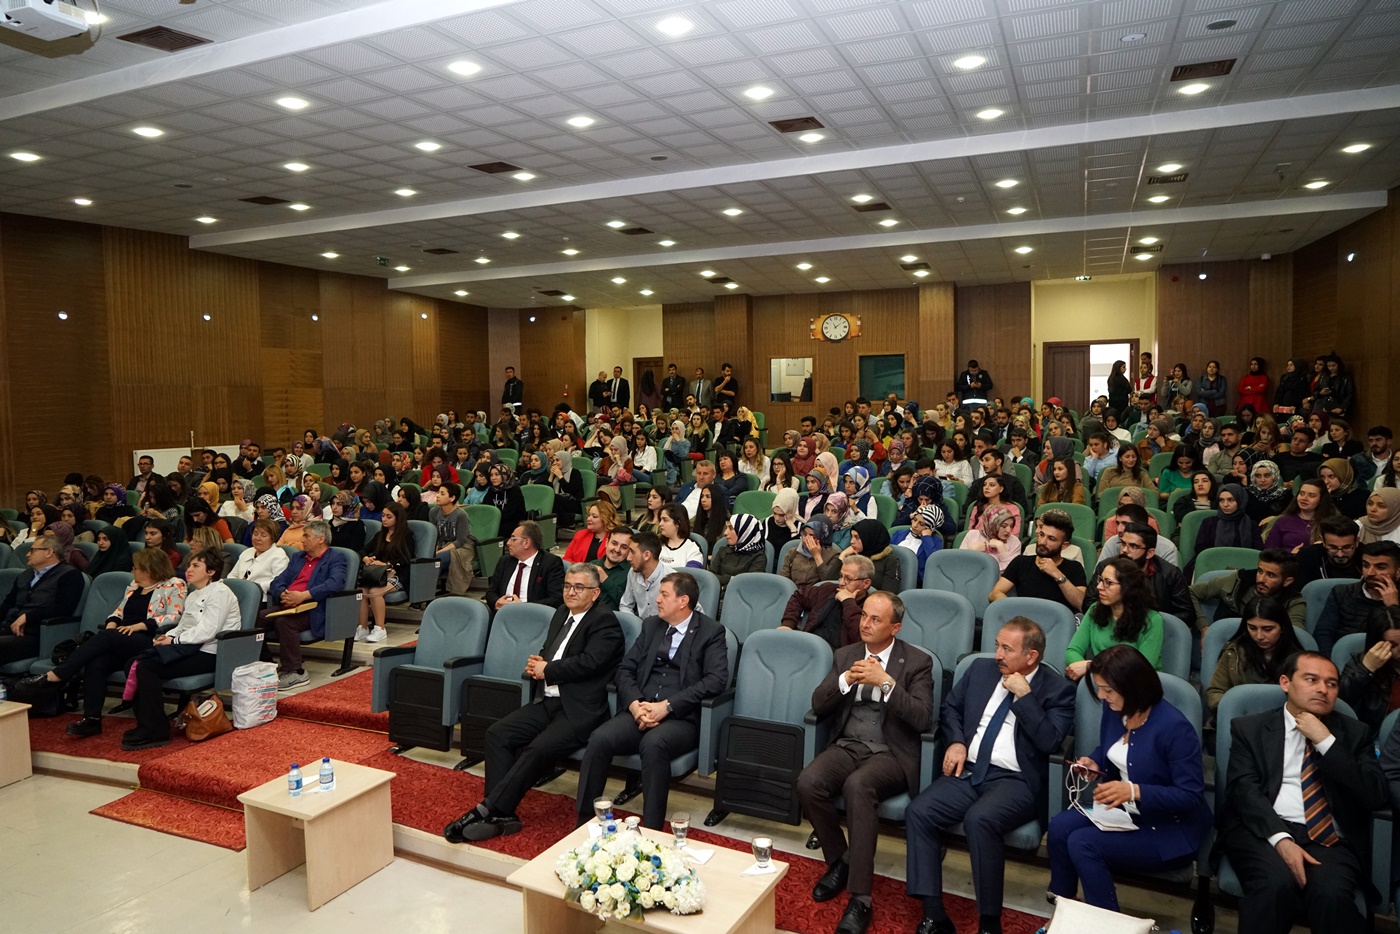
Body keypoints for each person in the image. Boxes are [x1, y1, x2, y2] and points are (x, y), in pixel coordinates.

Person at [905, 617, 1075, 934]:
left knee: (979, 819)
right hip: (970, 771)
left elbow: (1050, 741)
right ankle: (934, 914)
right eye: (997, 645)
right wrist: (956, 742)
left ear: (1031, 656)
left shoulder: (1058, 690)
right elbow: (950, 709)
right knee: (919, 811)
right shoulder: (980, 670)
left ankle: (988, 922)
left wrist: (1026, 698)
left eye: (1007, 649)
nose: (997, 654)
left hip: (1016, 781)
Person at [444, 563, 624, 843]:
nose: (571, 592)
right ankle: (501, 813)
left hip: (579, 710)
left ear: (595, 592)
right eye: (567, 586)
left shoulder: (604, 621)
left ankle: (489, 809)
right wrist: (539, 661)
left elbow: (590, 663)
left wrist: (548, 669)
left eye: (579, 587)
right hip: (547, 700)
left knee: (537, 749)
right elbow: (551, 649)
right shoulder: (562, 613)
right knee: (498, 734)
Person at [1218, 651, 1386, 934]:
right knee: (1274, 886)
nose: (1323, 689)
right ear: (1286, 683)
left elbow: (1375, 795)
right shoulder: (1251, 728)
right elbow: (1243, 791)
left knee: (1332, 897)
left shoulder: (1355, 734)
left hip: (1329, 838)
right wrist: (1281, 840)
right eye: (1311, 680)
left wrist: (1326, 742)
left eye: (1332, 684)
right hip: (1265, 829)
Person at [798, 591, 935, 934]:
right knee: (808, 782)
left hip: (891, 752)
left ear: (895, 627)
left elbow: (922, 718)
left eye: (876, 619)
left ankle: (861, 898)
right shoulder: (846, 655)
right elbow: (818, 703)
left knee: (858, 786)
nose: (866, 624)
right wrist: (845, 680)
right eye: (863, 616)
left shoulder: (917, 662)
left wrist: (886, 683)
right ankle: (841, 860)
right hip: (848, 744)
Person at [1049, 644, 1211, 911]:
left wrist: (1134, 791)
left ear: (1133, 687)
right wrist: (1095, 762)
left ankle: (1106, 923)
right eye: (1099, 688)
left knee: (1082, 843)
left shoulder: (1175, 728)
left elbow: (1190, 797)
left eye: (1108, 690)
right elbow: (1112, 749)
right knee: (1059, 827)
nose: (1101, 696)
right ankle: (1062, 905)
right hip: (1124, 812)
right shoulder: (1115, 709)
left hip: (1166, 829)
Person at [574, 572, 728, 830]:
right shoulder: (651, 626)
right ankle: (585, 821)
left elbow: (716, 680)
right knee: (600, 738)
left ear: (683, 601)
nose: (657, 600)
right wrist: (635, 704)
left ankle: (652, 830)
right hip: (640, 708)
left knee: (654, 744)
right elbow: (625, 669)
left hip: (681, 717)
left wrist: (667, 706)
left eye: (664, 595)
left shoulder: (711, 632)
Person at [15, 548, 186, 737]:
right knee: (97, 662)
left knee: (106, 637)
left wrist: (140, 626)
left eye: (136, 567)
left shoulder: (174, 584)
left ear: (149, 568)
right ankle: (92, 719)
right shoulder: (133, 585)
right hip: (122, 638)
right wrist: (112, 623)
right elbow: (118, 611)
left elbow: (174, 616)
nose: (132, 571)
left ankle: (58, 675)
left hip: (150, 638)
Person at [117, 549, 245, 751]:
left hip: (210, 652)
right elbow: (183, 625)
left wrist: (174, 640)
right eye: (189, 565)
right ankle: (146, 724)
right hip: (188, 647)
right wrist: (167, 636)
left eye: (196, 565)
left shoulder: (220, 593)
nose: (188, 569)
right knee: (132, 663)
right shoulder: (194, 595)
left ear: (211, 572)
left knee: (145, 667)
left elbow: (208, 631)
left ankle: (156, 730)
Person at [1065, 558, 1164, 679]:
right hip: (1098, 681)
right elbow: (1072, 651)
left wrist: (1092, 666)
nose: (1099, 586)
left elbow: (1142, 669)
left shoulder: (1152, 620)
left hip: (1135, 686)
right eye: (1101, 580)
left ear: (1128, 587)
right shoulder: (1095, 609)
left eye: (1108, 582)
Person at [1206, 598, 1308, 711]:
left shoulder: (1298, 659)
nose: (1259, 636)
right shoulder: (1234, 652)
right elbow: (1215, 693)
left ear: (1283, 628)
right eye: (1252, 628)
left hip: (1284, 718)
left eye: (1267, 629)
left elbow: (1307, 697)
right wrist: (1238, 706)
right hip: (1240, 716)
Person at [0, 533, 85, 666]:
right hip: (7, 629)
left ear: (49, 552)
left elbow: (64, 608)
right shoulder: (24, 575)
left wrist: (28, 617)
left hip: (37, 635)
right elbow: (8, 603)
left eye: (32, 550)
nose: (27, 554)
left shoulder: (70, 575)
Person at [1312, 541, 1400, 655]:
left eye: (1380, 567)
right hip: (1344, 659)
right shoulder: (1341, 593)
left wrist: (1393, 607)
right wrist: (1331, 663)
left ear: (1398, 572)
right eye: (1366, 565)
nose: (1370, 573)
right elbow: (1323, 634)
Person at [1190, 548, 1305, 634]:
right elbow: (1190, 592)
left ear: (1287, 581)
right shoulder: (1237, 581)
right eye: (1260, 571)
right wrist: (1203, 626)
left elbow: (1296, 636)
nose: (1261, 579)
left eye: (1270, 575)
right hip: (1224, 643)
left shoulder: (1293, 602)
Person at [989, 511, 1086, 610]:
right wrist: (1014, 609)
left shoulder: (1075, 568)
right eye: (1041, 535)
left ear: (1064, 545)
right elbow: (995, 593)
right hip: (1023, 617)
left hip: (1056, 619)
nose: (1043, 542)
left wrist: (1057, 574)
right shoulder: (1021, 562)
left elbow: (1081, 604)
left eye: (1051, 539)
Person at [779, 555, 875, 649]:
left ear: (866, 583)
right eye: (841, 576)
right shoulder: (828, 589)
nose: (841, 582)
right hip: (807, 646)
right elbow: (799, 596)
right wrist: (788, 624)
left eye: (848, 579)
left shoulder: (871, 608)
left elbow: (861, 638)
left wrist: (848, 602)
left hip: (838, 656)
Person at [484, 520, 566, 620]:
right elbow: (491, 592)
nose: (508, 543)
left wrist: (524, 606)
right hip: (503, 617)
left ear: (526, 543)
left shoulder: (550, 563)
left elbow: (557, 599)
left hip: (533, 618)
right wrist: (496, 602)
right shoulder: (505, 561)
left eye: (513, 539)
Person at [1191, 483, 1263, 561]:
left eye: (1231, 500)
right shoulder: (1209, 523)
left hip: (1243, 564)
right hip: (1212, 563)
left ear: (1240, 500)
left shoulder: (1251, 525)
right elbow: (1200, 549)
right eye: (1221, 500)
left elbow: (1257, 552)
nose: (1225, 504)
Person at [1265, 478, 1336, 551]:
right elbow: (1268, 552)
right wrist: (1290, 555)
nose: (1304, 498)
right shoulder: (1283, 521)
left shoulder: (1330, 523)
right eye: (1302, 493)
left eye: (1311, 495)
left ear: (1321, 500)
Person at [228, 518, 289, 596]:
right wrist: (238, 586)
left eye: (263, 535)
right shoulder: (247, 552)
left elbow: (277, 582)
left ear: (273, 538)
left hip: (261, 597)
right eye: (255, 534)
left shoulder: (279, 556)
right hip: (238, 594)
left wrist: (251, 587)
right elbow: (232, 575)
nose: (257, 538)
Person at [1294, 515, 1362, 585]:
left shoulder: (1366, 555)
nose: (1340, 555)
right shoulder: (1307, 556)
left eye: (1346, 547)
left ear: (1356, 542)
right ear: (1323, 542)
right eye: (1333, 548)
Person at [709, 513, 766, 589]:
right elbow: (710, 576)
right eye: (726, 528)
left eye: (731, 528)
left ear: (745, 531)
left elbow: (748, 585)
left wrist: (724, 584)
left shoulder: (758, 558)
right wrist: (731, 579)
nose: (725, 533)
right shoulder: (723, 550)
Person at [619, 530, 666, 619]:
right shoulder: (632, 572)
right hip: (640, 625)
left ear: (646, 555)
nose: (628, 558)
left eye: (632, 552)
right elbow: (625, 605)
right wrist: (635, 624)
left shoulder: (671, 579)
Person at [841, 518, 898, 591]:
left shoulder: (890, 560)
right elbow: (837, 581)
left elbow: (888, 592)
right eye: (851, 536)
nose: (851, 541)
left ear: (869, 537)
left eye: (857, 537)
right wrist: (843, 555)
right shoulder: (853, 555)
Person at [893, 504, 945, 583]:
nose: (915, 525)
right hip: (892, 575)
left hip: (916, 581)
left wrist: (926, 538)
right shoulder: (898, 534)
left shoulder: (935, 542)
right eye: (915, 519)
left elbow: (934, 562)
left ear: (930, 527)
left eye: (921, 524)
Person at [588, 526, 632, 611]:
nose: (617, 550)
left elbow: (628, 604)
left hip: (612, 617)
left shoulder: (632, 572)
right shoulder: (592, 564)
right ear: (606, 543)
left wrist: (605, 580)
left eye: (624, 547)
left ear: (630, 550)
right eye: (614, 543)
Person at [563, 500, 618, 564]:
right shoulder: (580, 534)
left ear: (606, 519)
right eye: (589, 515)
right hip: (578, 569)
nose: (588, 519)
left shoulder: (616, 539)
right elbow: (566, 559)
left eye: (594, 517)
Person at [656, 502, 704, 569]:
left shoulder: (692, 548)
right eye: (660, 520)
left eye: (665, 520)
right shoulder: (655, 544)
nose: (660, 524)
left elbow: (692, 573)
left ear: (678, 523)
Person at [766, 487, 800, 554]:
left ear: (791, 511)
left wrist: (792, 528)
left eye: (781, 515)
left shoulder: (799, 525)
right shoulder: (767, 522)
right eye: (774, 513)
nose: (777, 518)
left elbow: (796, 552)